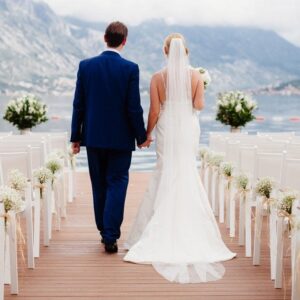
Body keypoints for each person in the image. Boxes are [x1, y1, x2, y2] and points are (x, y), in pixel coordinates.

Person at [124, 33, 236, 283]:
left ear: (166, 52)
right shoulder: (196, 76)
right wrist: (198, 88)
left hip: (167, 128)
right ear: (185, 52)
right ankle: (191, 230)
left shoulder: (157, 78)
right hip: (187, 128)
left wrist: (146, 134)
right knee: (186, 170)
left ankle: (155, 229)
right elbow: (198, 106)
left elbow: (154, 110)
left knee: (165, 170)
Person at [70, 21, 151, 254]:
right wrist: (141, 136)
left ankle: (103, 230)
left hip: (94, 137)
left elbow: (79, 106)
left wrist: (76, 136)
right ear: (124, 41)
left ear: (105, 38)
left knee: (99, 184)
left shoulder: (85, 66)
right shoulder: (130, 68)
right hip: (120, 139)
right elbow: (133, 108)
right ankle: (110, 235)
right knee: (117, 182)